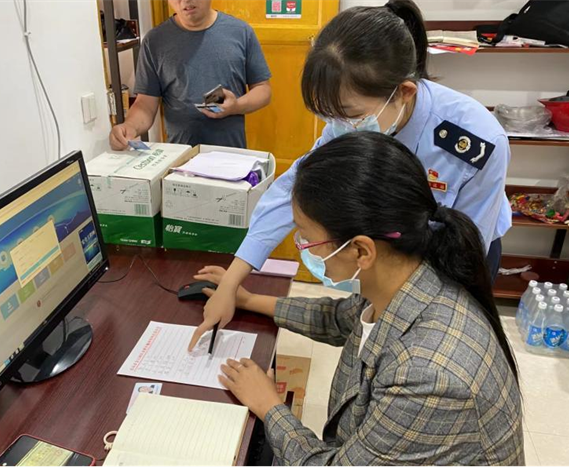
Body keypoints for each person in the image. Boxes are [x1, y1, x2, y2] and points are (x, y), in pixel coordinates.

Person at [188, 0, 511, 350]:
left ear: (404, 92)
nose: (338, 127)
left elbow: (467, 243)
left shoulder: (474, 140)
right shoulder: (350, 121)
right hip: (388, 248)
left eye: (349, 114)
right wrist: (232, 281)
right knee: (369, 329)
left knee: (426, 343)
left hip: (457, 257)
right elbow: (292, 190)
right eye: (330, 115)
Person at [197, 132, 523, 465]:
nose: (303, 247)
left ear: (361, 250)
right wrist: (249, 300)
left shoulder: (428, 376)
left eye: (306, 238)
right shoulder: (408, 275)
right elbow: (339, 318)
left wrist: (270, 406)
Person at [108, 0, 272, 150]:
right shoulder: (155, 41)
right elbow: (145, 103)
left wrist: (236, 106)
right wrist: (129, 127)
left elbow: (263, 89)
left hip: (231, 155)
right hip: (181, 157)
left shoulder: (241, 32)